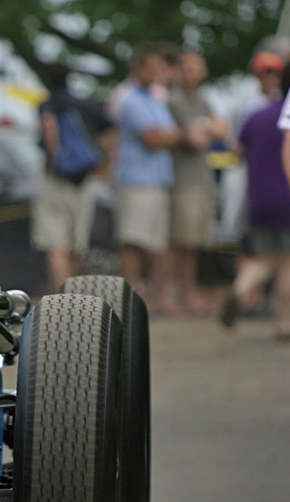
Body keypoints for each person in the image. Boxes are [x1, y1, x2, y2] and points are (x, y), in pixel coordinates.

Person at [31, 63, 112, 292]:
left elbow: (49, 127)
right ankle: (73, 294)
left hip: (57, 180)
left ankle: (60, 294)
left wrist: (52, 160)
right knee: (78, 243)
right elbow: (110, 130)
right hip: (84, 181)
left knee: (56, 243)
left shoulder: (48, 104)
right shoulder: (86, 105)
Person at [159, 49, 227, 314]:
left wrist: (204, 128)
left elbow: (223, 131)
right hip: (182, 181)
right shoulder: (174, 100)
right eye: (187, 67)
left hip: (201, 181)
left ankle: (188, 294)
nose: (192, 72)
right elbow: (196, 139)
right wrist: (207, 128)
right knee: (176, 243)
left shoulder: (202, 99)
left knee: (193, 244)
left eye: (197, 67)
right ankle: (166, 295)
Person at [225, 69, 290, 341]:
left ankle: (240, 289)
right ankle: (285, 323)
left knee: (265, 258)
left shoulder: (256, 115)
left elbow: (236, 150)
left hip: (259, 198)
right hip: (286, 196)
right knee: (287, 263)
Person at [114, 44, 182, 302]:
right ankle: (129, 294)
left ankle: (155, 297)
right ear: (138, 68)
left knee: (156, 242)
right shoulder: (129, 99)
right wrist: (168, 135)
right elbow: (154, 139)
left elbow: (172, 134)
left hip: (158, 179)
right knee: (133, 240)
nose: (156, 73)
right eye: (151, 67)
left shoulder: (154, 99)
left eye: (159, 68)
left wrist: (166, 135)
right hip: (136, 180)